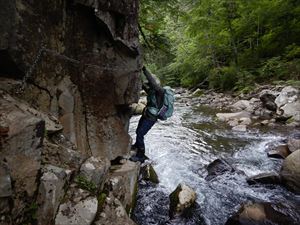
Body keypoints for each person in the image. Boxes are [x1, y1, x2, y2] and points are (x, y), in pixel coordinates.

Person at [130, 66, 165, 163]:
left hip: (151, 118)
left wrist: (144, 70)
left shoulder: (160, 91)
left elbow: (152, 82)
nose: (149, 85)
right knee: (138, 131)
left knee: (141, 133)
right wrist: (137, 75)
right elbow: (143, 85)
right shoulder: (151, 91)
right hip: (146, 114)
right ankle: (137, 145)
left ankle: (141, 155)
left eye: (150, 83)